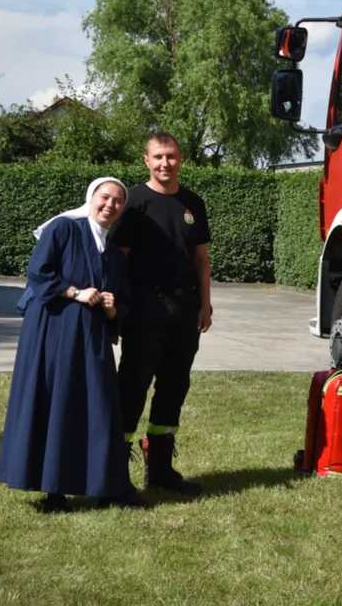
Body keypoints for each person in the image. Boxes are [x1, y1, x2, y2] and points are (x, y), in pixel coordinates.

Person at [0, 177, 147, 512]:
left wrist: (111, 307)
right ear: (90, 198)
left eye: (118, 201)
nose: (110, 205)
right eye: (105, 197)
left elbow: (124, 300)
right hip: (53, 332)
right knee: (57, 403)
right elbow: (39, 273)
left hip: (91, 337)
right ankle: (54, 491)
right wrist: (76, 292)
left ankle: (105, 487)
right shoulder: (64, 229)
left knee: (98, 407)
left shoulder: (114, 253)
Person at [110, 131, 211, 496]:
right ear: (146, 161)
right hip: (144, 307)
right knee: (132, 386)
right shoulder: (133, 203)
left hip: (185, 308)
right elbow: (117, 261)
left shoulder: (192, 203)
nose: (165, 163)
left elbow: (201, 258)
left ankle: (161, 470)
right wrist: (118, 312)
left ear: (181, 158)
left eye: (171, 156)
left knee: (174, 387)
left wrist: (205, 303)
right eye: (158, 157)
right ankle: (115, 473)